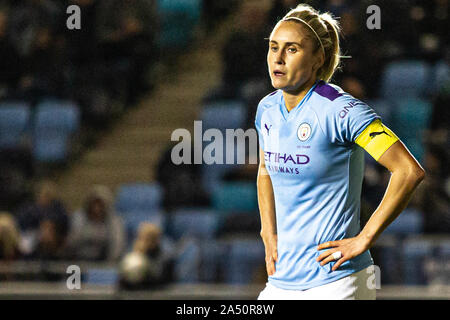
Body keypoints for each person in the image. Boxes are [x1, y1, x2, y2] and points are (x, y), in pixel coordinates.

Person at [255, 4, 425, 300]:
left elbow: (408, 170)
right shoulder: (266, 108)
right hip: (282, 281)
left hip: (338, 282)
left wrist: (364, 238)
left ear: (318, 58)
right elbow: (265, 170)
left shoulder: (341, 110)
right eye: (273, 47)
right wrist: (268, 233)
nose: (278, 58)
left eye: (291, 49)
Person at [66, 185, 126, 261]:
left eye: (100, 204)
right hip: (78, 259)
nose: (97, 208)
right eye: (94, 204)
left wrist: (110, 263)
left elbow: (118, 244)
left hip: (103, 262)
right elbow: (71, 242)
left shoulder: (114, 220)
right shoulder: (79, 217)